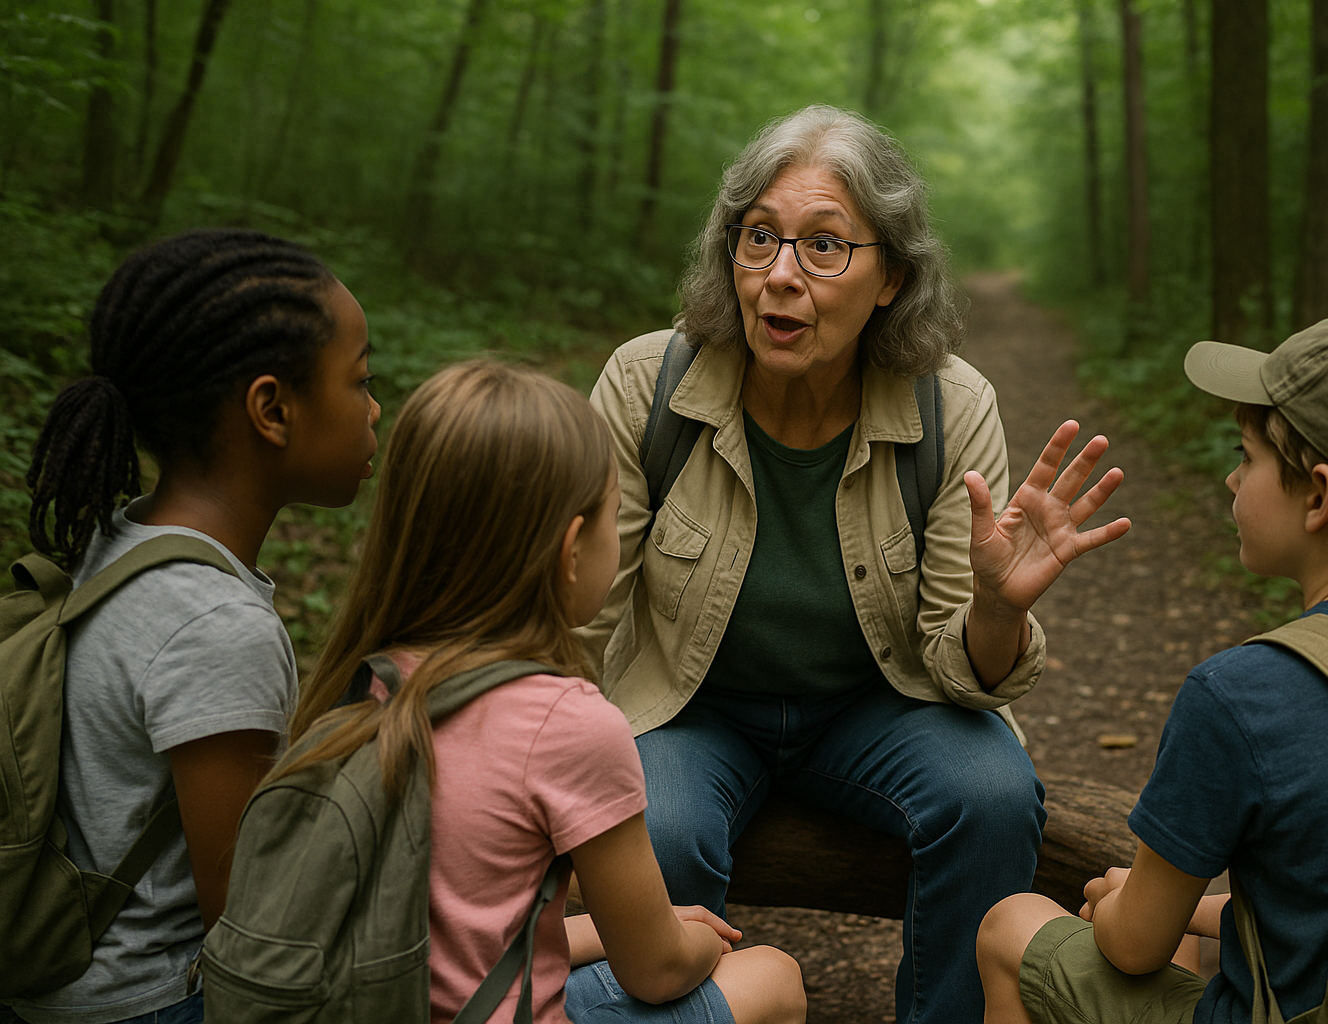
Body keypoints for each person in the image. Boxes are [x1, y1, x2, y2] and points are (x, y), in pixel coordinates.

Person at [579, 104, 1129, 1024]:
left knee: (994, 796)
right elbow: (580, 613)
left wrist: (998, 607)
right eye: (758, 239)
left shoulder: (953, 406)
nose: (780, 277)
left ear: (891, 279)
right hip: (687, 703)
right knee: (652, 827)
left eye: (825, 247)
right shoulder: (650, 384)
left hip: (880, 704)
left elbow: (969, 671)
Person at [975, 317, 1328, 1024]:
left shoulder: (1242, 694)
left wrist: (1121, 906)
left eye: (1247, 457)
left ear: (1320, 497)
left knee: (1012, 925)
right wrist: (1209, 914)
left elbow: (1133, 949)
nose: (1232, 476)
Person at [279, 361, 806, 1024]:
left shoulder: (355, 684)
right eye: (616, 517)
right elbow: (658, 969)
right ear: (571, 549)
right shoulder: (565, 724)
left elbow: (461, 929)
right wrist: (696, 939)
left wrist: (608, 930)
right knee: (774, 978)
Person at [9, 230, 381, 1024]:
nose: (376, 409)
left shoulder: (116, 542)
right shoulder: (214, 624)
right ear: (272, 409)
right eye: (361, 380)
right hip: (146, 1005)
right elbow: (253, 928)